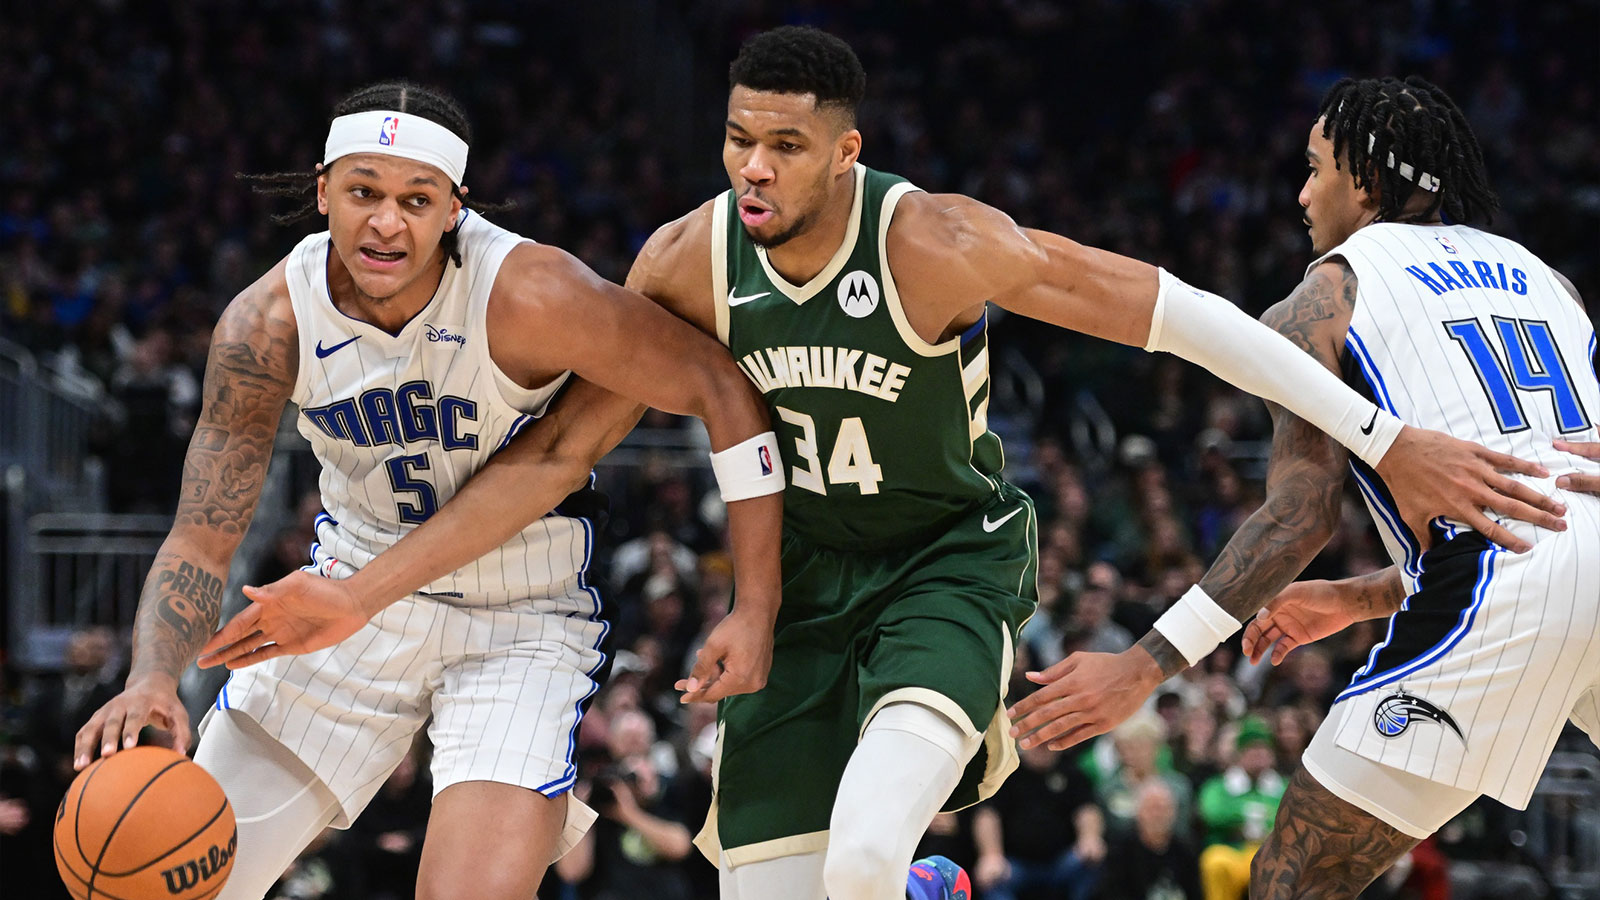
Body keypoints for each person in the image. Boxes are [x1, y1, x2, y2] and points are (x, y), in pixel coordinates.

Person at [207, 36, 1564, 900]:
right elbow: (561, 450)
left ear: (846, 155)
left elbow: (1182, 314)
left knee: (862, 860)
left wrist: (1386, 440)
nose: (754, 166)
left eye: (786, 145)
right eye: (739, 138)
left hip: (943, 566)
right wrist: (367, 590)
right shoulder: (684, 264)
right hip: (798, 591)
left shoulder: (935, 241)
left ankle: (912, 873)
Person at [72, 80, 785, 900]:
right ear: (322, 191)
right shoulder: (268, 322)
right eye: (363, 192)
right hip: (345, 601)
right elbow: (201, 537)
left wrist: (755, 603)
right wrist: (152, 675)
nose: (386, 221)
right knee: (158, 880)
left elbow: (721, 387)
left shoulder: (528, 292)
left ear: (454, 207)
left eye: (416, 199)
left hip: (517, 616)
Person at [1008, 76, 1600, 899]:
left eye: (1315, 168)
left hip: (1502, 596)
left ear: (1364, 180)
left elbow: (1299, 516)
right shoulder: (1548, 281)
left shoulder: (1326, 295)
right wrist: (1360, 599)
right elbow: (1549, 517)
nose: (1300, 193)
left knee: (1291, 885)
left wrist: (1143, 666)